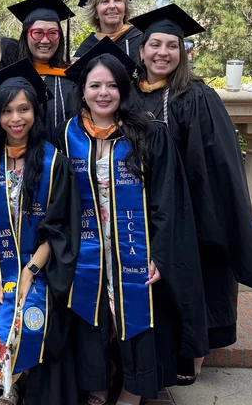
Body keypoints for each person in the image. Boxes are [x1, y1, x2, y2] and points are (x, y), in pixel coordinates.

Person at [53, 39, 208, 405]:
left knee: (135, 315)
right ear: (83, 91)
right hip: (86, 249)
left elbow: (168, 201)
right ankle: (97, 384)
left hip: (135, 248)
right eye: (95, 85)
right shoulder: (65, 135)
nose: (103, 93)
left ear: (123, 89)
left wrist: (160, 254)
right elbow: (54, 201)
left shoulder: (149, 133)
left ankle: (131, 389)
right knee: (91, 319)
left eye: (111, 85)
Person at [130, 4, 252, 384]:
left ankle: (195, 355)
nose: (162, 52)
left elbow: (219, 160)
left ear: (183, 52)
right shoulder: (128, 94)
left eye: (171, 45)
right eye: (154, 44)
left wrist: (205, 212)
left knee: (197, 274)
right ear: (141, 51)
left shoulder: (198, 96)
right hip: (142, 206)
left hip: (192, 205)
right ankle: (160, 350)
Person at [0, 59, 81, 405]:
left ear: (36, 112)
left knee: (30, 312)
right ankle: (6, 389)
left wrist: (30, 270)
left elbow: (59, 228)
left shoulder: (54, 164)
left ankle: (15, 387)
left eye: (24, 109)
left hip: (40, 267)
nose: (16, 119)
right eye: (7, 111)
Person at [9, 0, 77, 139]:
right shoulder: (12, 78)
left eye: (52, 33)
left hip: (65, 159)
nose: (45, 40)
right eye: (37, 33)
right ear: (26, 36)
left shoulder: (73, 79)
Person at [74, 0, 142, 62]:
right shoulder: (86, 49)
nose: (112, 6)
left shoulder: (141, 39)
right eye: (105, 1)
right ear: (95, 12)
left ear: (125, 8)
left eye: (117, 0)